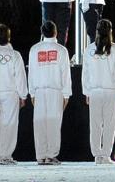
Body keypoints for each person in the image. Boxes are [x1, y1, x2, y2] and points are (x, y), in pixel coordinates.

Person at [82, 19, 115, 164]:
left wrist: (87, 92)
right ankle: (105, 154)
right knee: (109, 124)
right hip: (110, 91)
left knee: (95, 124)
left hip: (95, 91)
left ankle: (97, 155)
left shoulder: (89, 50)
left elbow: (86, 74)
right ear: (110, 32)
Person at [28, 21, 72, 165]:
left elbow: (31, 72)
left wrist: (32, 93)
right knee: (53, 122)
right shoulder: (61, 50)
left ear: (42, 33)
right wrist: (66, 94)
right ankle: (50, 155)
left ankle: (41, 155)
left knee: (39, 123)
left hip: (39, 91)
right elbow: (65, 73)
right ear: (56, 32)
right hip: (55, 91)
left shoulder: (34, 49)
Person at [0, 24, 28, 165]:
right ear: (9, 37)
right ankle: (5, 155)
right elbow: (20, 77)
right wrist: (23, 95)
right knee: (9, 124)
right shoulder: (14, 55)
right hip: (10, 93)